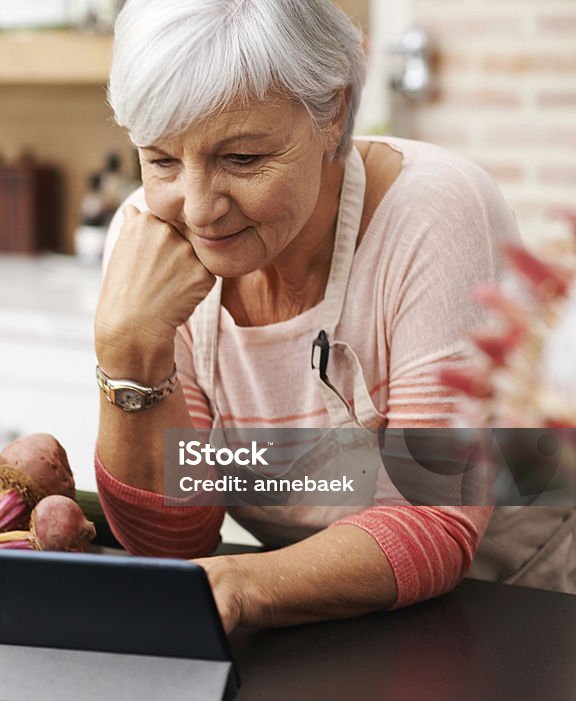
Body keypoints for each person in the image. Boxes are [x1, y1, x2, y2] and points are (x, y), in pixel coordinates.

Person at [93, 0, 563, 633]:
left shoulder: (435, 214)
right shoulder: (151, 242)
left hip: (511, 604)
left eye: (242, 160)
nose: (200, 211)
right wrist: (128, 351)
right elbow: (178, 537)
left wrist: (236, 585)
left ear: (332, 110)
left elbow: (433, 520)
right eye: (162, 160)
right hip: (313, 607)